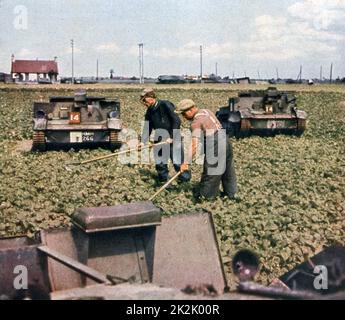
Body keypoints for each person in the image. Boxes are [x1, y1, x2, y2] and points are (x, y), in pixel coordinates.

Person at [177, 99, 237, 200]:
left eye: (183, 114)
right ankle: (231, 194)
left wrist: (186, 162)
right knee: (228, 170)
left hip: (215, 143)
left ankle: (206, 198)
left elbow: (194, 145)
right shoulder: (206, 111)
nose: (184, 117)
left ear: (190, 110)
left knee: (211, 172)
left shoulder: (195, 123)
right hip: (225, 139)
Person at [140, 88, 191, 183]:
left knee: (178, 162)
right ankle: (163, 181)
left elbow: (176, 121)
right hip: (160, 139)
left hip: (173, 138)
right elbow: (147, 128)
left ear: (151, 97)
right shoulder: (149, 111)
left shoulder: (165, 105)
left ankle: (185, 182)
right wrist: (143, 142)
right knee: (160, 163)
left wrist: (171, 137)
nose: (143, 102)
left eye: (144, 99)